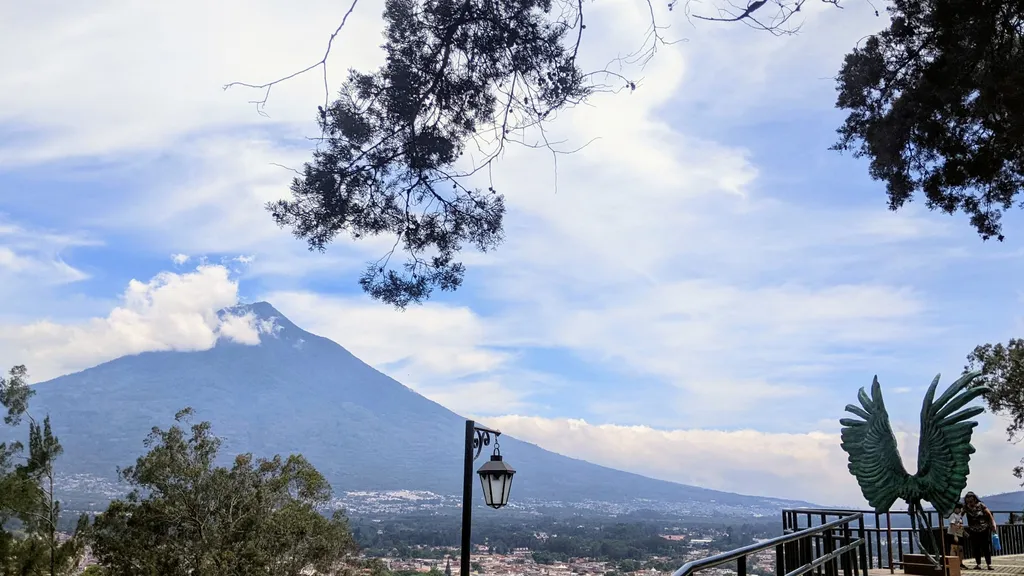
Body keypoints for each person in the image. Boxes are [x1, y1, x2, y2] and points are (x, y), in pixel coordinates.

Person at [964, 491, 998, 570]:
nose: (970, 502)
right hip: (973, 530)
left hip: (984, 529)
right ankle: (978, 564)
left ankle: (989, 564)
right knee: (976, 547)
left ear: (975, 499)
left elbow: (989, 514)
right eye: (968, 501)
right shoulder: (966, 507)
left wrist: (993, 524)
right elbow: (960, 515)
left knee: (985, 547)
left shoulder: (981, 505)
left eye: (971, 501)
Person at [948, 502, 969, 569]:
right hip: (953, 534)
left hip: (960, 534)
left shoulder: (959, 516)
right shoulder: (953, 515)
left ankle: (960, 563)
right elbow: (952, 525)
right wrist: (955, 535)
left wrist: (964, 532)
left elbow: (960, 525)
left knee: (960, 549)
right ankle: (953, 564)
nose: (960, 510)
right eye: (959, 509)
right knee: (954, 549)